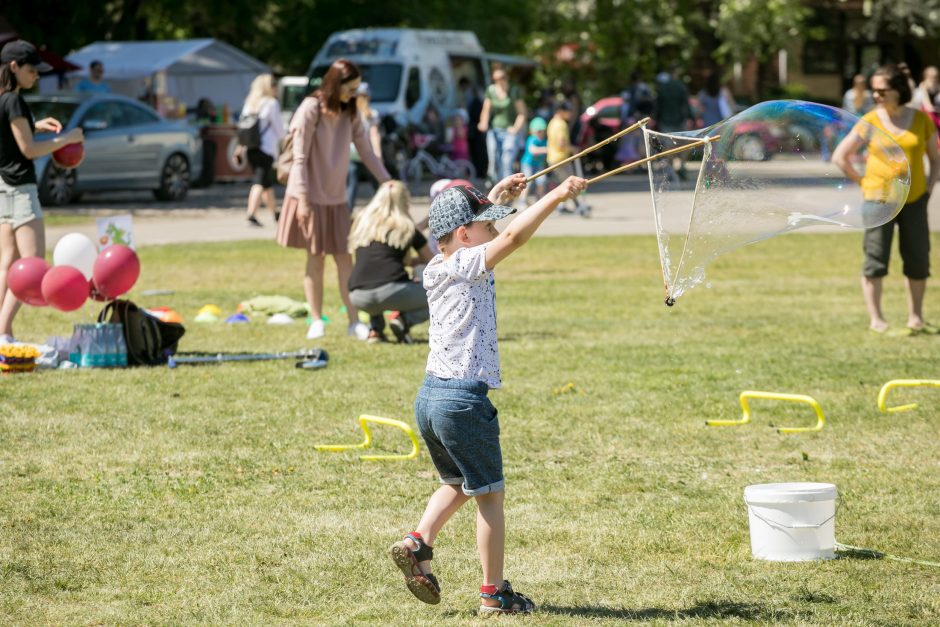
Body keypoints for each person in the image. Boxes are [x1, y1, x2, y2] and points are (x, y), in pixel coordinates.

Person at [388, 171, 586, 615]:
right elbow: (514, 237)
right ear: (464, 234)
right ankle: (493, 594)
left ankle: (417, 544)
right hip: (462, 400)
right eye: (487, 226)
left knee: (456, 481)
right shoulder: (467, 262)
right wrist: (557, 194)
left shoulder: (437, 265)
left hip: (430, 398)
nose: (494, 232)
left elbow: (486, 229)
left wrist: (495, 197)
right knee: (490, 496)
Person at [276, 58, 391, 341]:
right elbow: (299, 158)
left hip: (336, 198)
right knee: (315, 259)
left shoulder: (350, 112)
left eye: (356, 89)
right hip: (309, 195)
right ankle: (316, 320)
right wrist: (302, 200)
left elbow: (366, 151)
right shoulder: (310, 108)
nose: (353, 95)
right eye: (349, 89)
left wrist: (388, 182)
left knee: (344, 259)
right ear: (334, 84)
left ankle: (354, 322)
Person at [832, 64, 940, 335]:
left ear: (899, 90)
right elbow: (840, 157)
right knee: (875, 258)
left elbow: (936, 160)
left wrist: (928, 187)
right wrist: (863, 182)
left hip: (915, 199)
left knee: (917, 259)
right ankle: (876, 319)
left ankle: (915, 317)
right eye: (874, 90)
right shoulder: (870, 121)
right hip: (878, 200)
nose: (876, 95)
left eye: (882, 90)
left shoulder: (921, 120)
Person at [1, 40, 84, 344]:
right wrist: (67, 138)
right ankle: (4, 331)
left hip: (2, 188)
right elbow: (28, 150)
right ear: (14, 67)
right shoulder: (15, 101)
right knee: (32, 265)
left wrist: (35, 125)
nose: (37, 75)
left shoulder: (3, 100)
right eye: (32, 69)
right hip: (21, 190)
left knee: (7, 264)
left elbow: (12, 138)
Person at [347, 181, 433, 344]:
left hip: (357, 295)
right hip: (391, 292)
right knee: (440, 297)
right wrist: (416, 264)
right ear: (404, 203)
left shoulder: (362, 224)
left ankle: (375, 330)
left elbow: (377, 261)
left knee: (374, 277)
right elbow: (431, 260)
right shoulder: (406, 227)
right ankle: (404, 321)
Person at [237, 74, 285, 227]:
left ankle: (275, 213)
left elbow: (243, 127)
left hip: (250, 147)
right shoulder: (271, 104)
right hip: (266, 147)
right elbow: (279, 128)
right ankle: (251, 213)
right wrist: (285, 140)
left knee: (266, 183)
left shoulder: (249, 103)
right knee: (259, 182)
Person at [478, 68, 526, 184]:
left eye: (502, 78)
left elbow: (522, 113)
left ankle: (507, 187)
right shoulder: (491, 90)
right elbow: (486, 110)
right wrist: (483, 122)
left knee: (506, 161)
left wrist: (515, 128)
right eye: (496, 79)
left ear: (507, 78)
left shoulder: (514, 91)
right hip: (495, 130)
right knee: (494, 159)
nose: (500, 81)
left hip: (510, 131)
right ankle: (494, 185)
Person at [547, 102, 589, 215]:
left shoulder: (552, 122)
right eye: (568, 111)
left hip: (553, 158)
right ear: (560, 111)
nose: (570, 114)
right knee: (571, 184)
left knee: (563, 183)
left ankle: (563, 206)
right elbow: (561, 144)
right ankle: (578, 206)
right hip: (561, 159)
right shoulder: (561, 124)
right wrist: (573, 149)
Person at [347, 82, 382, 211]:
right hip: (367, 154)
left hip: (352, 154)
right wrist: (378, 156)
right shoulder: (371, 114)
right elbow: (374, 136)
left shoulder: (349, 114)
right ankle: (381, 211)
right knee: (378, 186)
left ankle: (346, 215)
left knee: (351, 188)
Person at [654, 64, 693, 179]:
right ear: (676, 72)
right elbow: (686, 105)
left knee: (668, 147)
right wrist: (691, 117)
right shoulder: (681, 87)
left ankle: (670, 170)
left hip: (665, 121)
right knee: (683, 146)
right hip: (680, 120)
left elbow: (658, 107)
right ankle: (682, 167)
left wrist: (656, 120)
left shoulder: (662, 88)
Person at [518, 117, 548, 205]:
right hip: (528, 164)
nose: (539, 133)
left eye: (541, 131)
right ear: (532, 131)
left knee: (542, 180)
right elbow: (533, 150)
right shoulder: (531, 139)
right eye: (537, 131)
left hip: (538, 165)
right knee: (527, 182)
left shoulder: (544, 141)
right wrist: (545, 149)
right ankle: (522, 201)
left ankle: (539, 199)